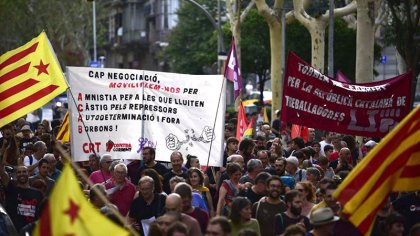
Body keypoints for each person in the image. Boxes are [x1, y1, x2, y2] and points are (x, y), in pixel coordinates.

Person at [0, 165, 43, 231]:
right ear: (16, 175)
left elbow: (42, 215)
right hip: (13, 231)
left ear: (28, 173)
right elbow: (2, 173)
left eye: (24, 171)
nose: (21, 174)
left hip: (31, 231)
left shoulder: (38, 194)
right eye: (19, 172)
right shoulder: (11, 189)